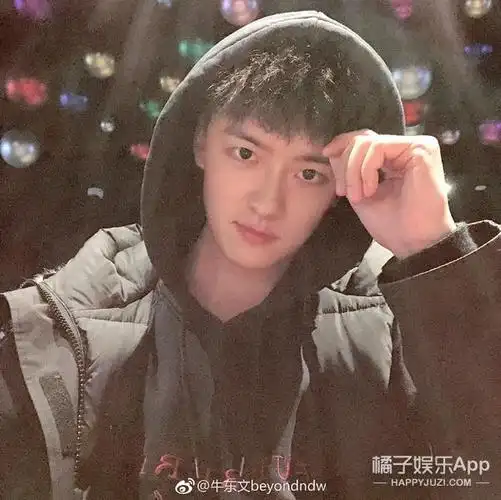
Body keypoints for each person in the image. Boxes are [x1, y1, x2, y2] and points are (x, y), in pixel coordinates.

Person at [1, 10, 500, 500]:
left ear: (340, 189)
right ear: (200, 141)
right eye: (246, 153)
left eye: (308, 174)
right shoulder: (54, 331)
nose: (267, 203)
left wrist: (434, 251)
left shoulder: (390, 334)